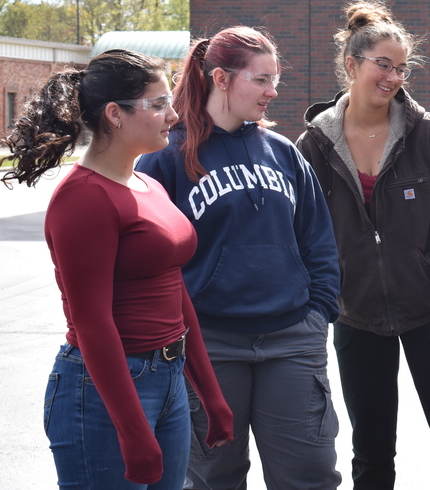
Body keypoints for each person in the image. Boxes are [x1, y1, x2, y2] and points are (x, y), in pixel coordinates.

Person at [296, 0, 430, 490]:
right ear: (352, 64)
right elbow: (303, 231)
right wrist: (335, 284)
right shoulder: (314, 146)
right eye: (382, 65)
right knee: (370, 448)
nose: (392, 77)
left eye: (402, 69)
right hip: (357, 316)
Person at [0, 49, 233, 489]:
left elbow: (175, 291)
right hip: (104, 392)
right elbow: (92, 323)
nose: (173, 114)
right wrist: (130, 428)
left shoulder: (148, 183)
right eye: (159, 103)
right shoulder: (83, 197)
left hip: (167, 380)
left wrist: (209, 392)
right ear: (115, 114)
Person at [135, 27, 341, 490]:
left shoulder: (282, 152)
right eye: (262, 79)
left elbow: (319, 241)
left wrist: (318, 313)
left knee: (309, 477)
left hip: (292, 339)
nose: (273, 92)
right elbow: (143, 260)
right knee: (213, 478)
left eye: (275, 81)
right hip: (208, 344)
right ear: (222, 78)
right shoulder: (168, 156)